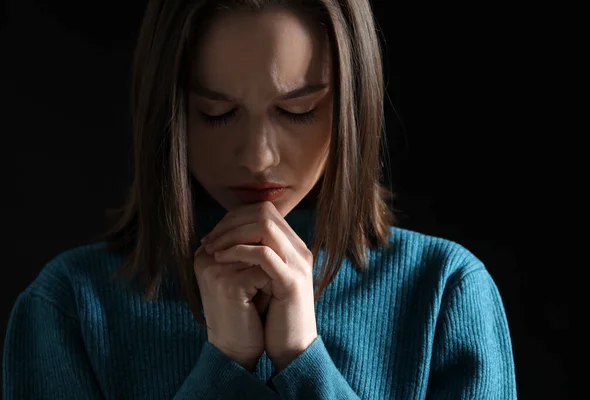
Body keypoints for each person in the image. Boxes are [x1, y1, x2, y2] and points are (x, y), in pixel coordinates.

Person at [2, 0, 517, 398]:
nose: (257, 157)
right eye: (216, 113)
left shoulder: (445, 294)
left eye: (298, 111)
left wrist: (302, 359)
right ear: (166, 111)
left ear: (353, 103)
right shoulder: (69, 306)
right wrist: (225, 361)